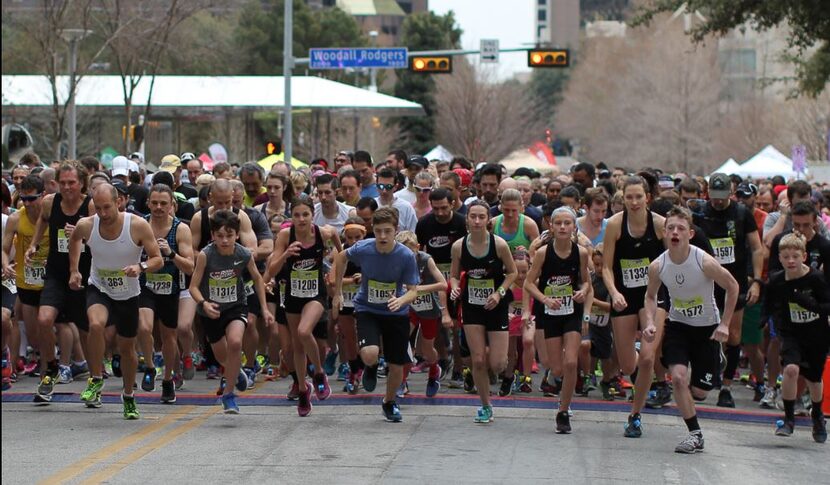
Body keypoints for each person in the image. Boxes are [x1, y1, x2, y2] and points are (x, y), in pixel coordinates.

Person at [641, 206, 736, 453]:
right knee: (679, 378)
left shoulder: (703, 261)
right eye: (670, 228)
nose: (675, 232)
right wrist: (651, 322)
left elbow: (733, 286)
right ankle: (695, 434)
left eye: (681, 228)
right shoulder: (658, 266)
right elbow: (650, 297)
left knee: (700, 391)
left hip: (707, 328)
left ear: (690, 234)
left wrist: (725, 324)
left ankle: (718, 356)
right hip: (678, 326)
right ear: (664, 232)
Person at [68, 184, 164, 418]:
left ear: (119, 202)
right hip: (99, 286)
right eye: (97, 208)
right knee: (96, 325)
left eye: (107, 207)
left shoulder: (138, 225)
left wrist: (139, 266)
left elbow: (157, 259)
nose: (102, 213)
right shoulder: (86, 225)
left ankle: (129, 395)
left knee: (127, 348)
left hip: (128, 293)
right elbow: (74, 240)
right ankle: (96, 378)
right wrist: (74, 270)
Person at [332, 207, 421, 422]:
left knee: (396, 365)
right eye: (378, 231)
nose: (382, 236)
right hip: (368, 309)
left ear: (395, 230)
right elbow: (341, 257)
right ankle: (370, 366)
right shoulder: (363, 248)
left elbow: (413, 290)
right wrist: (338, 293)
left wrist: (401, 300)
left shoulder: (406, 255)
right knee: (370, 353)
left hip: (396, 312)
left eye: (387, 231)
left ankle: (389, 402)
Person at [190, 210, 274, 414]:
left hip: (236, 306)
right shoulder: (205, 255)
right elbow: (193, 287)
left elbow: (257, 279)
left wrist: (264, 308)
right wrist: (204, 303)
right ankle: (235, 372)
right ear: (213, 236)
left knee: (236, 342)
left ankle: (229, 395)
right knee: (222, 357)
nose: (225, 240)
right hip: (211, 310)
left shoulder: (243, 254)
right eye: (220, 236)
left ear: (237, 235)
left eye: (229, 235)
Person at [601, 176, 666, 437]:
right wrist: (614, 292)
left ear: (647, 197)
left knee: (648, 359)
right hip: (624, 296)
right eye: (629, 197)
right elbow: (605, 266)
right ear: (623, 198)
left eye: (639, 196)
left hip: (653, 296)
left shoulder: (660, 225)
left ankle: (635, 416)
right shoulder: (615, 225)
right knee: (629, 366)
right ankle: (639, 358)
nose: (634, 202)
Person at [25, 162, 96, 402]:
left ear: (82, 183)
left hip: (83, 274)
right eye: (62, 182)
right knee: (44, 319)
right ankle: (51, 369)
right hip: (56, 272)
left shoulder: (90, 205)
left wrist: (80, 233)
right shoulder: (49, 202)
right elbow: (43, 221)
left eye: (72, 183)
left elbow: (101, 237)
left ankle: (94, 379)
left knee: (86, 330)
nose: (67, 187)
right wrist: (34, 244)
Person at [693, 173, 764, 408]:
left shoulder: (742, 213)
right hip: (706, 282)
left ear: (730, 194)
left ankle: (726, 386)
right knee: (706, 332)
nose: (718, 201)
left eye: (723, 197)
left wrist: (756, 280)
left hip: (735, 281)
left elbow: (756, 248)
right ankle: (704, 376)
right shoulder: (701, 213)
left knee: (734, 335)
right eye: (714, 196)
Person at [265, 199, 341, 416]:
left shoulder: (322, 233)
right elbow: (271, 270)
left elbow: (339, 245)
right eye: (296, 215)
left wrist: (336, 265)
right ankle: (303, 390)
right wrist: (286, 254)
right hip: (293, 295)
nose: (301, 219)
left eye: (305, 214)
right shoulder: (284, 236)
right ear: (291, 216)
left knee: (303, 331)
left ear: (312, 215)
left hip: (316, 294)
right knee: (298, 347)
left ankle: (318, 373)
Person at [524, 207, 592, 433]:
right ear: (551, 227)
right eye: (558, 223)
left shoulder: (581, 252)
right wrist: (544, 299)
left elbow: (586, 282)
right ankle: (562, 389)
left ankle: (563, 411)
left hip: (571, 311)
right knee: (557, 367)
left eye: (567, 223)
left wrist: (582, 292)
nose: (563, 227)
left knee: (571, 362)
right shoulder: (544, 252)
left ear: (574, 227)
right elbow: (529, 283)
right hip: (550, 313)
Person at [450, 200, 518, 423]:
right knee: (478, 360)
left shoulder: (498, 245)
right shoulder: (459, 246)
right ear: (467, 219)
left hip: (495, 306)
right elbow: (453, 275)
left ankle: (498, 370)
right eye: (473, 217)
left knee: (498, 364)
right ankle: (485, 405)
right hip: (471, 306)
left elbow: (512, 273)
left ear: (488, 220)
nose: (477, 221)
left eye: (481, 217)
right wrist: (455, 287)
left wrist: (498, 293)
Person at [764, 233, 829, 443]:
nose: (790, 260)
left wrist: (807, 303)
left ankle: (817, 415)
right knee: (791, 369)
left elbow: (827, 305)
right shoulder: (776, 279)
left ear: (804, 256)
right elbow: (769, 301)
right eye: (786, 256)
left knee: (813, 378)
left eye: (795, 256)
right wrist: (764, 318)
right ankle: (789, 418)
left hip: (816, 334)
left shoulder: (815, 279)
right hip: (790, 332)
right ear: (780, 258)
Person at [137, 184, 195, 402]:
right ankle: (150, 367)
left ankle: (168, 379)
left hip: (171, 287)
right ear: (148, 203)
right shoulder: (139, 224)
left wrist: (171, 254)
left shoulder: (181, 229)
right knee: (144, 327)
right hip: (145, 284)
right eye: (155, 203)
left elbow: (190, 266)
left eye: (164, 203)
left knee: (170, 336)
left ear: (173, 205)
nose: (159, 208)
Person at [395, 231, 450, 398]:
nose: (407, 257)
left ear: (417, 248)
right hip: (408, 306)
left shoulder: (426, 259)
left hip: (428, 308)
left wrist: (417, 289)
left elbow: (443, 285)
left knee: (427, 349)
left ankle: (434, 369)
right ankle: (402, 381)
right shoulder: (396, 259)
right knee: (401, 341)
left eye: (410, 252)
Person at [491, 189, 540, 255]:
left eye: (514, 210)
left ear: (520, 207)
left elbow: (538, 253)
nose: (510, 214)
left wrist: (527, 252)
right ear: (501, 206)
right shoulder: (493, 223)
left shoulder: (529, 225)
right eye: (506, 210)